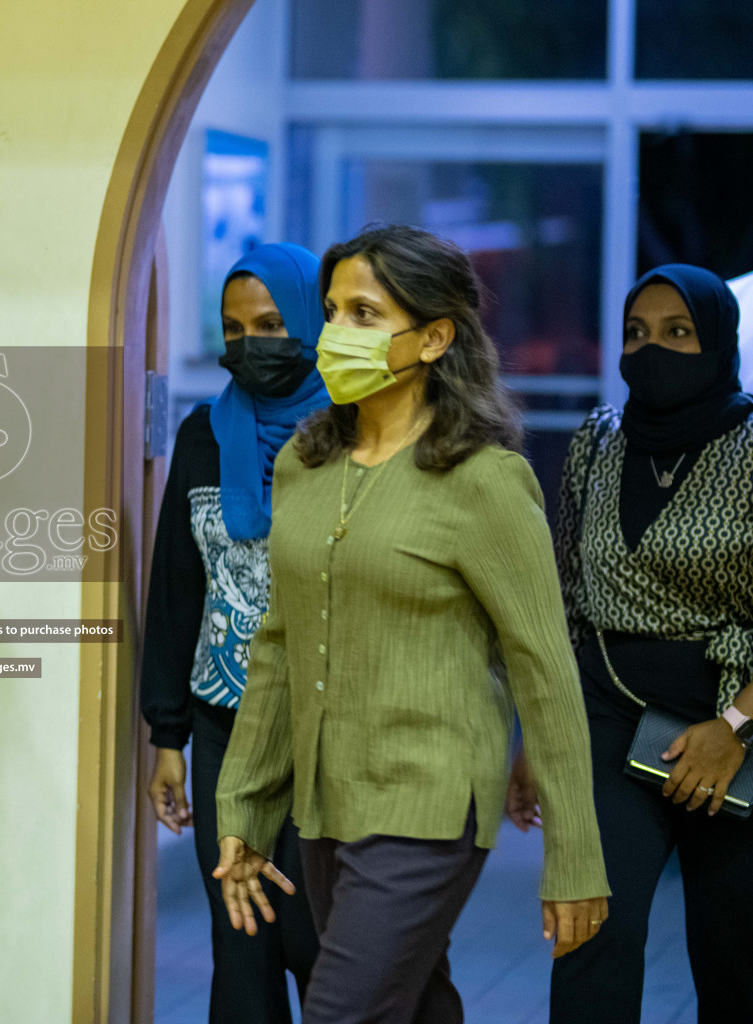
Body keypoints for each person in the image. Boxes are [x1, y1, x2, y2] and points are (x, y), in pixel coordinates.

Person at [211, 224, 610, 1024]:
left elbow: (545, 669)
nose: (335, 334)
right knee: (413, 1005)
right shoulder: (303, 464)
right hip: (327, 800)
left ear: (434, 337)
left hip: (429, 800)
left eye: (364, 313)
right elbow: (280, 647)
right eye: (330, 311)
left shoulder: (484, 480)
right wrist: (245, 807)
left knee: (341, 1011)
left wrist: (576, 860)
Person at [530, 264, 753, 1024]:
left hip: (737, 731)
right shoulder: (599, 439)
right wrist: (541, 736)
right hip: (608, 715)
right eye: (636, 333)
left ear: (718, 343)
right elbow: (565, 595)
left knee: (734, 955)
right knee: (591, 930)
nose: (650, 349)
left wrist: (734, 729)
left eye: (677, 333)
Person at [141, 243, 327, 1023]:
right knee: (241, 945)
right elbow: (177, 589)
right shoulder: (202, 436)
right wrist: (167, 738)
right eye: (235, 328)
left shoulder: (353, 440)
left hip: (326, 731)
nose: (253, 344)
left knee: (319, 945)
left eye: (274, 323)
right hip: (223, 723)